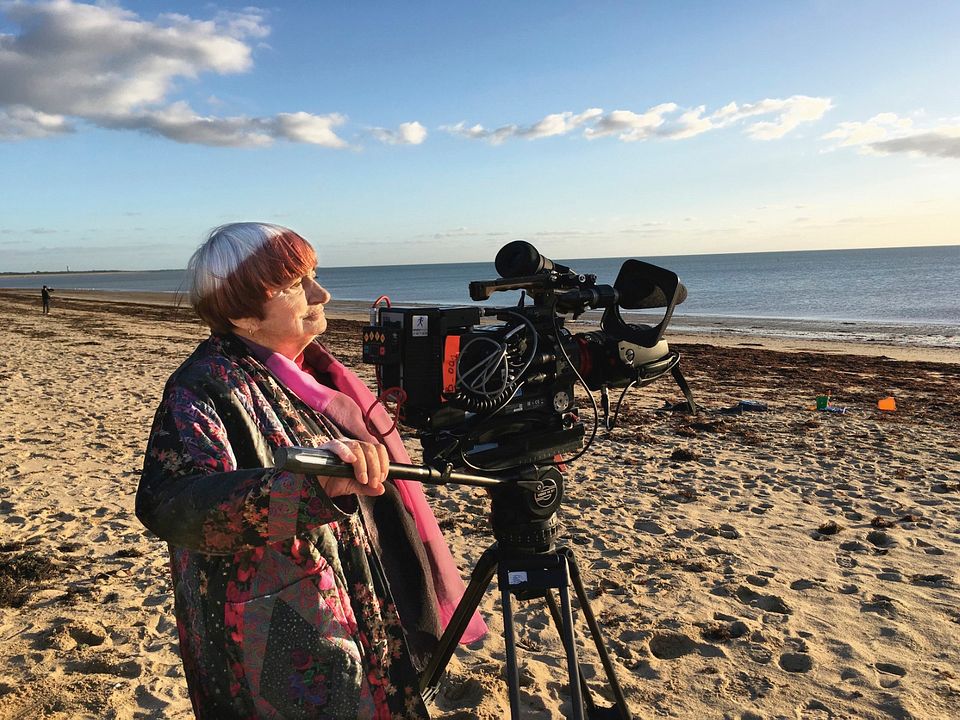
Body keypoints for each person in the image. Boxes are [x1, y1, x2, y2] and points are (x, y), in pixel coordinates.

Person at [137, 223, 485, 719]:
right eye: (295, 285)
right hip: (281, 630)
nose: (322, 294)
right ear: (240, 313)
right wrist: (301, 490)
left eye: (314, 276)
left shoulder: (312, 373)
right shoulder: (204, 386)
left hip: (353, 598)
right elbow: (170, 503)